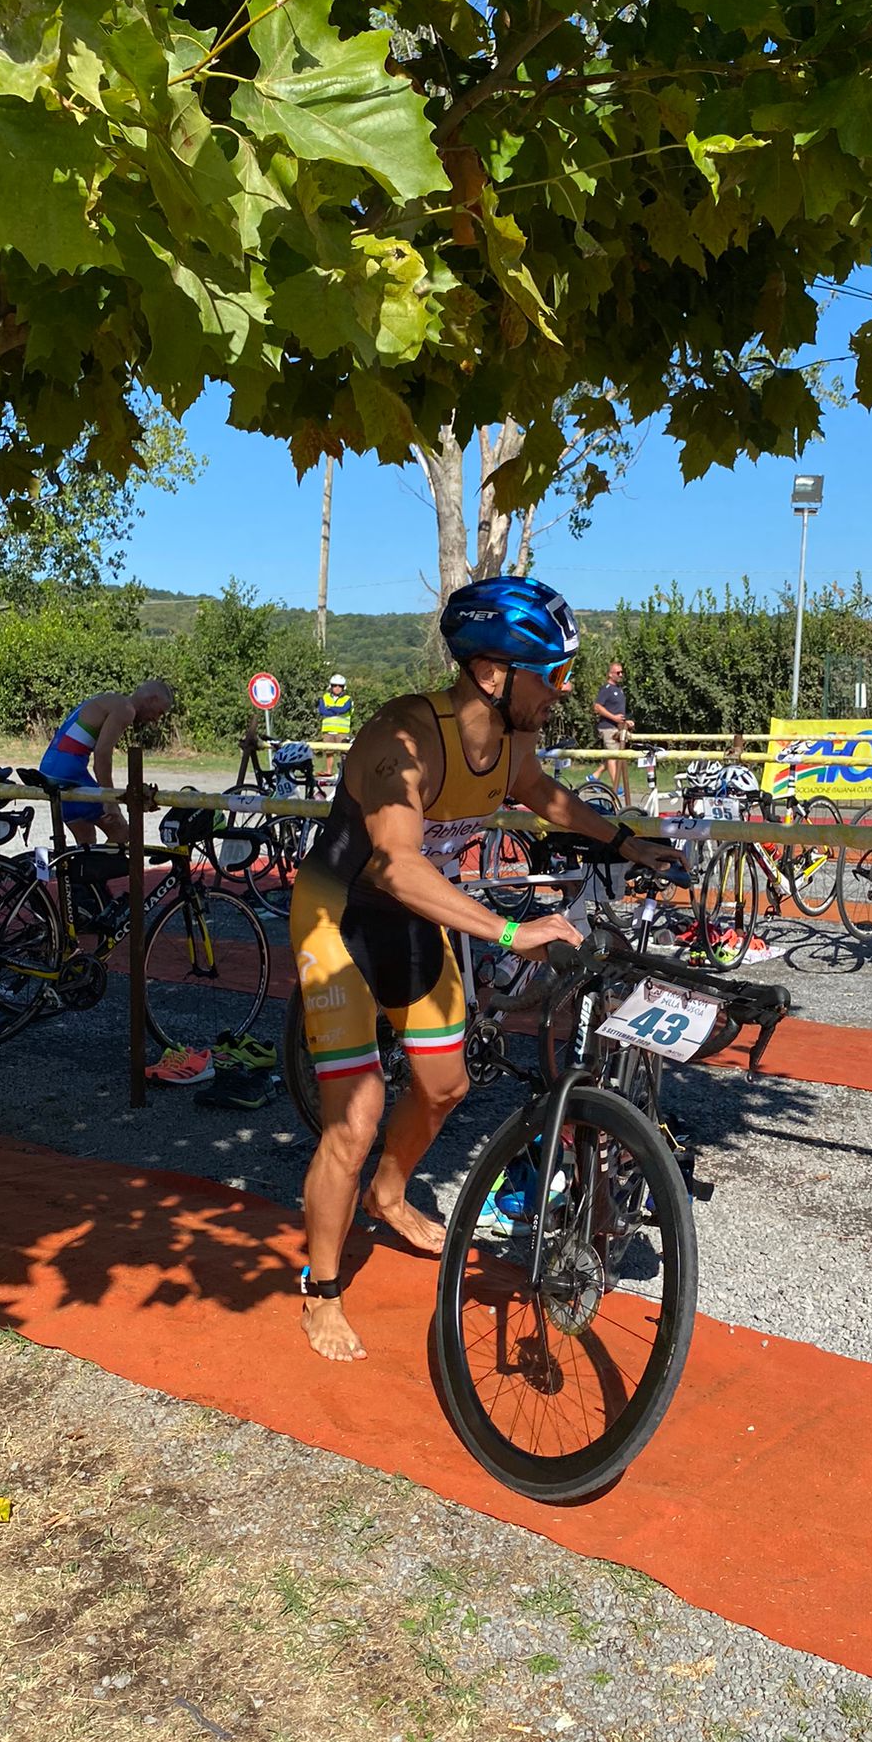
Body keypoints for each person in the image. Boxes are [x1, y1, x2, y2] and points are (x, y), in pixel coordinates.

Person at [291, 578, 683, 1364]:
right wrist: (511, 930)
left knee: (444, 1086)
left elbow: (538, 792)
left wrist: (621, 840)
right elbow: (397, 866)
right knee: (356, 1118)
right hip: (338, 920)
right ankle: (321, 1290)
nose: (564, 690)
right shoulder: (404, 737)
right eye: (554, 674)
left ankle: (388, 1194)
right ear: (492, 673)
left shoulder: (511, 737)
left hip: (412, 918)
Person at [38, 680, 175, 846]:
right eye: (159, 713)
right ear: (152, 699)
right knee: (122, 832)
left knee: (86, 840)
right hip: (68, 773)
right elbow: (102, 755)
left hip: (49, 768)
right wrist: (110, 802)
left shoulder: (107, 699)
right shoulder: (126, 709)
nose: (155, 719)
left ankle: (81, 863)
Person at [593, 658, 632, 798]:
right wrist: (613, 718)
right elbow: (597, 707)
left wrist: (626, 722)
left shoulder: (619, 690)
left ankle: (594, 776)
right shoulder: (606, 689)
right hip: (607, 727)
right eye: (618, 672)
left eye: (622, 672)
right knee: (613, 756)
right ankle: (616, 787)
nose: (621, 675)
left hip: (618, 728)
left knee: (614, 755)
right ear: (610, 674)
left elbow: (618, 711)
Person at [317, 674, 354, 777]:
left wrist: (331, 708)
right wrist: (336, 710)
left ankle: (345, 772)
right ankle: (329, 771)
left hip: (342, 731)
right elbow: (322, 711)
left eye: (340, 686)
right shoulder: (325, 697)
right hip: (328, 730)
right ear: (331, 686)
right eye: (334, 685)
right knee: (328, 752)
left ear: (343, 687)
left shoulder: (348, 699)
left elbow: (343, 709)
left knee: (344, 753)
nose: (337, 688)